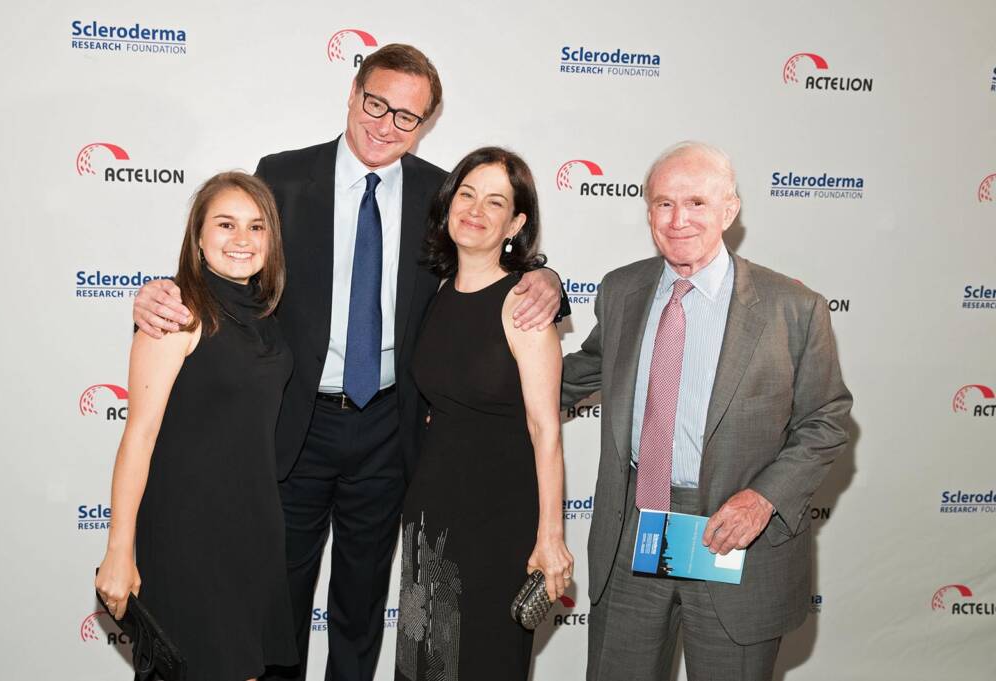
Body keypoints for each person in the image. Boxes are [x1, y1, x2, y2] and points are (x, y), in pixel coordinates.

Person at [130, 44, 567, 681]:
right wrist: (164, 290)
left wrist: (548, 278)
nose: (386, 124)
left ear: (425, 125)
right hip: (293, 427)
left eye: (407, 117)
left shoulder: (437, 194)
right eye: (376, 103)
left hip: (391, 431)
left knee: (362, 608)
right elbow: (230, 256)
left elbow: (491, 257)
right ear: (352, 94)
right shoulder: (280, 175)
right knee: (275, 602)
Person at [561, 141, 853, 681]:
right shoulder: (622, 290)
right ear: (647, 210)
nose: (678, 220)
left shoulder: (793, 307)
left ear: (729, 209)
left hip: (733, 536)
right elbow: (576, 375)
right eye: (663, 203)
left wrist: (763, 499)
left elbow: (827, 419)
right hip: (632, 527)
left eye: (696, 202)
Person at [95, 172, 297, 681]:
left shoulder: (267, 313)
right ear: (199, 237)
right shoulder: (177, 312)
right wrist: (119, 550)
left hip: (253, 525)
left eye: (256, 227)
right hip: (190, 531)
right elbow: (138, 435)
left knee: (244, 668)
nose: (242, 240)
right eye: (225, 224)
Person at [394, 147, 573, 681]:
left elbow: (546, 432)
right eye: (467, 194)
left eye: (495, 201)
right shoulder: (437, 291)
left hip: (499, 518)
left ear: (516, 223)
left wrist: (551, 536)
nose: (475, 209)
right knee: (427, 661)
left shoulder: (525, 306)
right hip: (431, 512)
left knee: (483, 662)